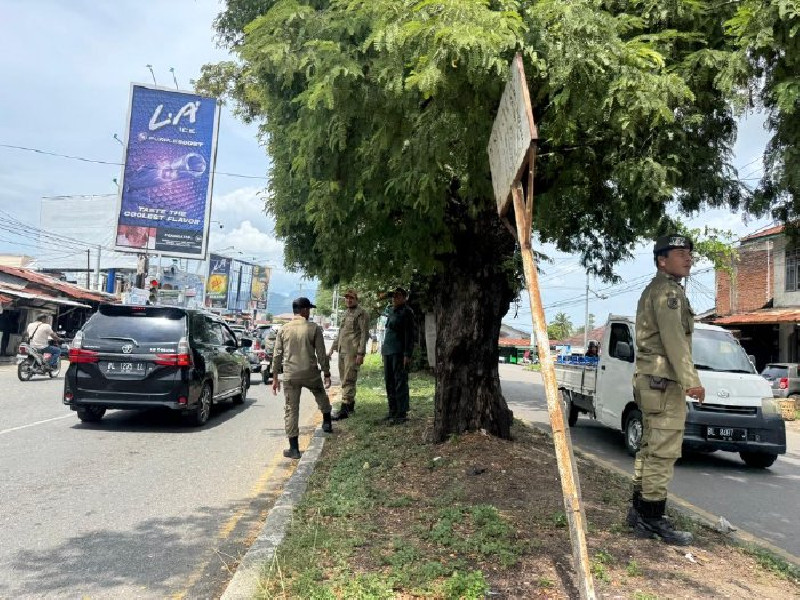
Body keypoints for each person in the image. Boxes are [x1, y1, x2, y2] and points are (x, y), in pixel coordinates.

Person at [628, 234, 705, 546]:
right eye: (680, 253)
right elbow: (675, 341)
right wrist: (692, 380)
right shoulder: (667, 293)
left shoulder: (661, 289)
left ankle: (639, 512)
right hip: (663, 381)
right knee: (663, 450)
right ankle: (652, 518)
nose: (688, 258)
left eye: (689, 253)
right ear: (662, 260)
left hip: (652, 381)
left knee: (649, 446)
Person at [272, 297, 333, 459]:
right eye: (309, 309)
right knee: (320, 394)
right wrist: (326, 373)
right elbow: (321, 354)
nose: (309, 312)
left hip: (290, 375)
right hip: (310, 373)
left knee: (291, 410)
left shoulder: (284, 329)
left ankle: (294, 449)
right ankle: (327, 422)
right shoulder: (313, 328)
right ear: (304, 310)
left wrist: (275, 377)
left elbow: (277, 355)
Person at [328, 289, 370, 420]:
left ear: (357, 299)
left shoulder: (361, 313)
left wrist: (361, 353)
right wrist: (332, 348)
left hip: (352, 352)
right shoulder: (346, 313)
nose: (348, 300)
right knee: (343, 379)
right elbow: (341, 332)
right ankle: (350, 407)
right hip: (342, 351)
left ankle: (345, 410)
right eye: (346, 298)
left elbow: (364, 334)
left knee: (349, 379)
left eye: (351, 298)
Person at [381, 287, 415, 424]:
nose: (395, 298)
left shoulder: (407, 312)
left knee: (400, 381)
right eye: (394, 296)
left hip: (399, 351)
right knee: (389, 381)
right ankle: (392, 410)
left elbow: (410, 334)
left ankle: (401, 413)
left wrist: (408, 353)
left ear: (404, 297)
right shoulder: (390, 310)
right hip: (388, 350)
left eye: (398, 296)